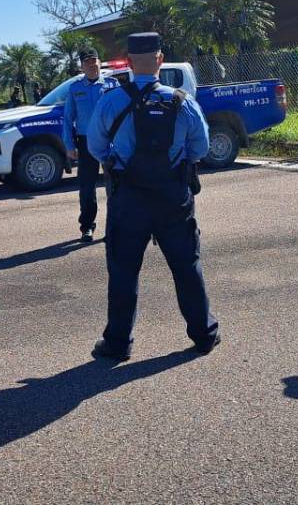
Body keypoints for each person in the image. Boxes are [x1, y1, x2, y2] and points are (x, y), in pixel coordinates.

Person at [86, 32, 219, 360]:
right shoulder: (182, 101)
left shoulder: (110, 100)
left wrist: (116, 162)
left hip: (127, 201)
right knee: (187, 267)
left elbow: (96, 147)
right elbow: (201, 147)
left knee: (123, 272)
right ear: (160, 60)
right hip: (173, 198)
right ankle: (204, 335)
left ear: (129, 62)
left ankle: (118, 344)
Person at [63, 49, 117, 242]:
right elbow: (68, 119)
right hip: (85, 142)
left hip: (109, 141)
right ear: (82, 66)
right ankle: (87, 227)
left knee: (114, 186)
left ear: (99, 63)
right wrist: (69, 145)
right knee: (87, 188)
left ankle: (114, 227)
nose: (92, 65)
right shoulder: (75, 88)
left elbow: (121, 114)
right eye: (88, 63)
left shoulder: (112, 84)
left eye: (95, 62)